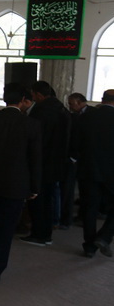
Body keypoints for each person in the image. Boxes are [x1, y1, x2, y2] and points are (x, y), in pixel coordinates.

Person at [0, 83, 42, 284]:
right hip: (17, 184)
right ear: (22, 101)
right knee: (7, 226)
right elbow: (35, 159)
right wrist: (35, 187)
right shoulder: (31, 124)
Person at [21, 80, 70, 246]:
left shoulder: (41, 111)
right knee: (49, 200)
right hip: (57, 162)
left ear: (39, 95)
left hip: (41, 162)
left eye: (33, 95)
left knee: (37, 200)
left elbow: (35, 139)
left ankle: (38, 234)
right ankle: (46, 233)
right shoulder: (62, 109)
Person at [77, 89, 114, 258]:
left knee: (89, 208)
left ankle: (89, 246)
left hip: (88, 169)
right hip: (111, 172)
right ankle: (104, 236)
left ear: (102, 99)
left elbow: (76, 141)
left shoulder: (87, 117)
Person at [62, 92, 95, 228]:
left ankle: (82, 216)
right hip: (76, 157)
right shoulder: (74, 115)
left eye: (71, 104)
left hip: (84, 158)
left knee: (85, 190)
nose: (70, 107)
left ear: (80, 102)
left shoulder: (92, 115)